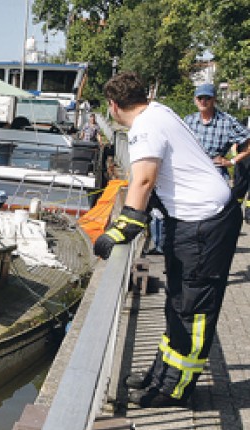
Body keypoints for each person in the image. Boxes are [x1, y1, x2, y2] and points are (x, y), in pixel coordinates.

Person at [95, 72, 242, 408]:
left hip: (204, 222)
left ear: (114, 106)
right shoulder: (158, 112)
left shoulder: (144, 127)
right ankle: (162, 373)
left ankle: (175, 389)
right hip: (197, 219)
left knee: (194, 308)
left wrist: (124, 226)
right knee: (177, 300)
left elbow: (144, 180)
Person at [183, 83, 250, 180]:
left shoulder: (227, 121)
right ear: (195, 100)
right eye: (200, 98)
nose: (203, 101)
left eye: (207, 98)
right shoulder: (188, 120)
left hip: (214, 174)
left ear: (214, 100)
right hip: (190, 173)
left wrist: (231, 162)